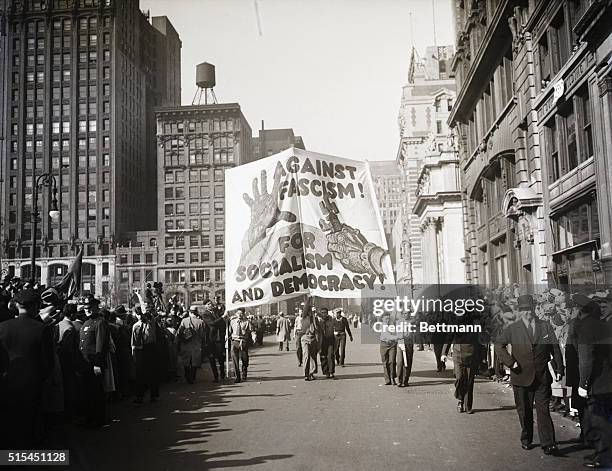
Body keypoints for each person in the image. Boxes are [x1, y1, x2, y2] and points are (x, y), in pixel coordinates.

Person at [495, 295, 564, 455]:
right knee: (524, 411)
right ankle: (527, 438)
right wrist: (511, 363)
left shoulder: (545, 326)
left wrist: (560, 369)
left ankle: (548, 443)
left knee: (543, 410)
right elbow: (499, 345)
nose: (528, 312)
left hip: (541, 376)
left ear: (534, 308)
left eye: (529, 309)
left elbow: (555, 349)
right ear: (519, 311)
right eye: (524, 310)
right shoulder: (512, 328)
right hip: (520, 376)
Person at [0, 288, 55, 447]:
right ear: (35, 306)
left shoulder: (2, 327)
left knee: (9, 420)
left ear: (16, 305)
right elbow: (48, 362)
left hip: (7, 382)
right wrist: (39, 378)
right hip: (32, 383)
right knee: (30, 421)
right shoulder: (41, 328)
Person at [575, 294, 612, 469]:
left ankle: (604, 457)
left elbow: (586, 360)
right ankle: (600, 452)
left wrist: (583, 384)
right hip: (606, 379)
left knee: (599, 421)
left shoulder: (586, 328)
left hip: (597, 382)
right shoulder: (603, 325)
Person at [78, 294, 110, 427]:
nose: (88, 309)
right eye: (86, 307)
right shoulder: (85, 323)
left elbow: (100, 344)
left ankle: (99, 419)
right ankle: (89, 417)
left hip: (94, 364)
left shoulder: (100, 322)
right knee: (87, 392)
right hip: (85, 363)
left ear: (96, 307)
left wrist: (97, 364)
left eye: (90, 307)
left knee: (96, 392)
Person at [442, 312, 481, 413]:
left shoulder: (474, 324)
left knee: (469, 381)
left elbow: (479, 341)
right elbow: (449, 337)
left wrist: (481, 357)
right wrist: (444, 353)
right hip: (458, 354)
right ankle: (460, 398)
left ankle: (468, 406)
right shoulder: (454, 323)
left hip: (471, 355)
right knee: (459, 378)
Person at [131, 308, 160, 404]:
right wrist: (133, 352)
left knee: (152, 372)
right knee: (140, 374)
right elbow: (133, 340)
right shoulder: (136, 325)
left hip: (150, 348)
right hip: (140, 350)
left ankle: (153, 395)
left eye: (142, 314)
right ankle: (139, 396)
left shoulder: (150, 324)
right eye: (138, 314)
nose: (140, 316)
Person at [177, 305, 205, 384]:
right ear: (196, 313)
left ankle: (187, 377)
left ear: (189, 312)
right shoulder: (201, 322)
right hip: (196, 345)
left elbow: (179, 332)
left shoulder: (184, 321)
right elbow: (203, 335)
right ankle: (192, 377)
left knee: (186, 362)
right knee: (194, 362)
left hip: (186, 344)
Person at [201, 300, 227, 383]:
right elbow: (212, 323)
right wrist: (222, 317)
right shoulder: (205, 314)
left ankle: (222, 373)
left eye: (211, 303)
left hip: (219, 338)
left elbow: (222, 321)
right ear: (205, 306)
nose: (210, 305)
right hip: (211, 340)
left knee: (221, 358)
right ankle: (216, 376)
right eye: (208, 304)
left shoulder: (216, 311)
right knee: (212, 359)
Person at [229, 309, 250, 383]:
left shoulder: (247, 322)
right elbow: (229, 332)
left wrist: (253, 337)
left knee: (245, 359)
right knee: (235, 360)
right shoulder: (232, 321)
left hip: (243, 342)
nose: (240, 315)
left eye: (241, 313)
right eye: (238, 313)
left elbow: (250, 331)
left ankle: (244, 373)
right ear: (236, 313)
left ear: (244, 314)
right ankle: (237, 377)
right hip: (234, 341)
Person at [396, 310, 414, 388]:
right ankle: (399, 380)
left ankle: (405, 380)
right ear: (402, 314)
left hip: (409, 344)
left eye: (408, 313)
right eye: (405, 313)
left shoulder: (412, 322)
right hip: (401, 343)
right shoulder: (399, 322)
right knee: (400, 362)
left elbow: (412, 334)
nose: (406, 315)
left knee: (408, 362)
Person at [318, 308, 337, 379]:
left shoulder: (331, 320)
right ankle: (326, 372)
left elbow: (334, 329)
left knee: (330, 355)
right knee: (323, 356)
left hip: (330, 340)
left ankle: (331, 371)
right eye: (322, 312)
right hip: (322, 341)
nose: (324, 314)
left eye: (325, 312)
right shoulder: (319, 321)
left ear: (327, 313)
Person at [379, 312, 398, 385]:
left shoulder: (392, 325)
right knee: (385, 362)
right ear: (382, 319)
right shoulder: (381, 325)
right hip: (384, 344)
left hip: (392, 345)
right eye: (386, 319)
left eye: (388, 318)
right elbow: (387, 335)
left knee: (392, 361)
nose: (387, 320)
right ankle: (387, 380)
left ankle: (393, 378)